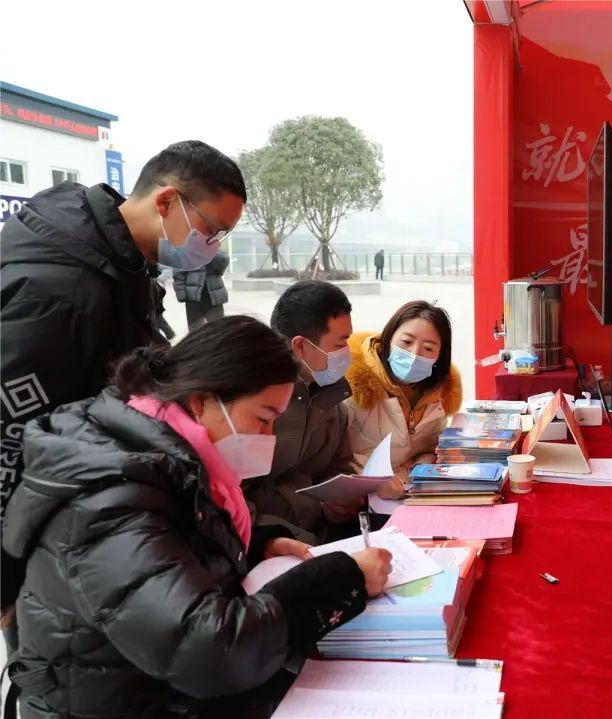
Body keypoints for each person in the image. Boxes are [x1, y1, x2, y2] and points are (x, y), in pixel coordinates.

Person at [1, 316, 393, 719]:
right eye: (262, 419)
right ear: (202, 400)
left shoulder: (158, 453)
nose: (269, 437)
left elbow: (169, 544)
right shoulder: (113, 496)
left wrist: (260, 544)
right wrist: (341, 579)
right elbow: (205, 650)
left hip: (155, 689)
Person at [0, 140, 246, 630]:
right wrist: (9, 580)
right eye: (212, 230)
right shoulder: (59, 289)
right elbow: (12, 436)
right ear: (166, 202)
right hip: (46, 533)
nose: (212, 245)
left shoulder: (118, 261)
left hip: (91, 509)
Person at [245, 281, 360, 545]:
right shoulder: (253, 401)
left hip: (320, 537)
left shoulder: (332, 398)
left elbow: (337, 468)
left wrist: (340, 502)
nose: (346, 354)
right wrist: (280, 538)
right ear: (300, 347)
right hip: (267, 543)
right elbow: (232, 496)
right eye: (340, 344)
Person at [346, 301, 461, 499]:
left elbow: (432, 445)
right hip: (359, 502)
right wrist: (374, 482)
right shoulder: (353, 387)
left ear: (440, 356)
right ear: (389, 337)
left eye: (428, 348)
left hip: (407, 497)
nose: (415, 354)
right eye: (407, 342)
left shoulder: (437, 392)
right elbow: (334, 459)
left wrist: (424, 464)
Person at [174, 250, 231, 330]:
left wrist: (212, 251)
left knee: (218, 330)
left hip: (214, 297)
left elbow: (221, 267)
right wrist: (181, 293)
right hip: (193, 298)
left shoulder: (214, 247)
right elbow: (178, 274)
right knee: (195, 331)